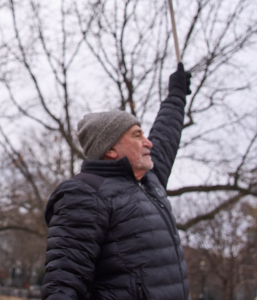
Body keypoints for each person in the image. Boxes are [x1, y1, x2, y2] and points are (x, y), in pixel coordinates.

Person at [41, 64, 192, 300]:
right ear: (111, 149)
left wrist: (176, 94)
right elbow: (64, 283)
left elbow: (166, 133)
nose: (148, 142)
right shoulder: (85, 193)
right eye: (137, 135)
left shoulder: (150, 182)